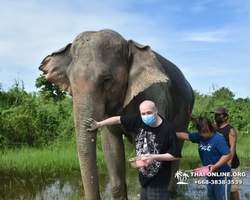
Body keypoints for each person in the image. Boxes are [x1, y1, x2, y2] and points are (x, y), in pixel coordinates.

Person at [84, 100, 182, 200]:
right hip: (144, 180)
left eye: (149, 113)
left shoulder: (167, 129)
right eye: (143, 113)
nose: (146, 116)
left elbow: (175, 155)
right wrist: (98, 124)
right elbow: (118, 119)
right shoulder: (138, 120)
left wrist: (154, 157)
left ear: (156, 110)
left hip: (159, 181)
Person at [189, 106, 240, 200]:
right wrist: (190, 116)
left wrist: (228, 163)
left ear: (226, 117)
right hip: (218, 162)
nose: (217, 116)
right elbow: (202, 122)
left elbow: (233, 147)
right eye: (216, 114)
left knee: (233, 189)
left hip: (230, 162)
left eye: (219, 115)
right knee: (223, 191)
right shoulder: (214, 126)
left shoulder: (230, 130)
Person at [176, 117, 232, 200]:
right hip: (210, 174)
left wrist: (215, 166)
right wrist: (171, 133)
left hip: (222, 175)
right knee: (211, 197)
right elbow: (186, 136)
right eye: (200, 132)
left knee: (222, 198)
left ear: (211, 129)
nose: (202, 135)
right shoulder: (200, 136)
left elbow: (227, 155)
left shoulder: (219, 139)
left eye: (205, 132)